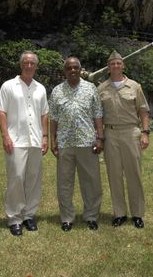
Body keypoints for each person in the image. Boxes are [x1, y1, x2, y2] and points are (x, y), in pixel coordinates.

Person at [0, 51, 49, 236]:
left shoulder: (40, 88)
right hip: (15, 140)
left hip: (35, 139)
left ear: (36, 66)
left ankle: (29, 215)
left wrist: (45, 136)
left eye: (32, 63)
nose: (29, 66)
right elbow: (1, 111)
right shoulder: (8, 86)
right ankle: (15, 218)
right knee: (16, 178)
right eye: (26, 62)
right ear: (20, 65)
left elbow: (44, 114)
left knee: (33, 179)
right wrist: (5, 136)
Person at [49, 56, 104, 231]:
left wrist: (100, 138)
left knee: (91, 181)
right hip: (65, 143)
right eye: (69, 68)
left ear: (80, 69)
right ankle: (66, 217)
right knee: (65, 182)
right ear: (64, 71)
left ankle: (91, 216)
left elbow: (97, 114)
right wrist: (53, 140)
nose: (72, 70)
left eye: (75, 67)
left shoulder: (91, 89)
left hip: (87, 142)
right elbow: (53, 118)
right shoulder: (57, 91)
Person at [98, 51, 150, 229]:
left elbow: (143, 110)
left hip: (130, 132)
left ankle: (137, 214)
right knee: (114, 175)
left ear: (123, 65)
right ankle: (119, 213)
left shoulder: (134, 86)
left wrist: (145, 132)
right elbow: (97, 115)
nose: (116, 66)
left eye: (118, 63)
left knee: (133, 174)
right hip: (110, 133)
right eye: (112, 63)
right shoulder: (102, 88)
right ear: (108, 67)